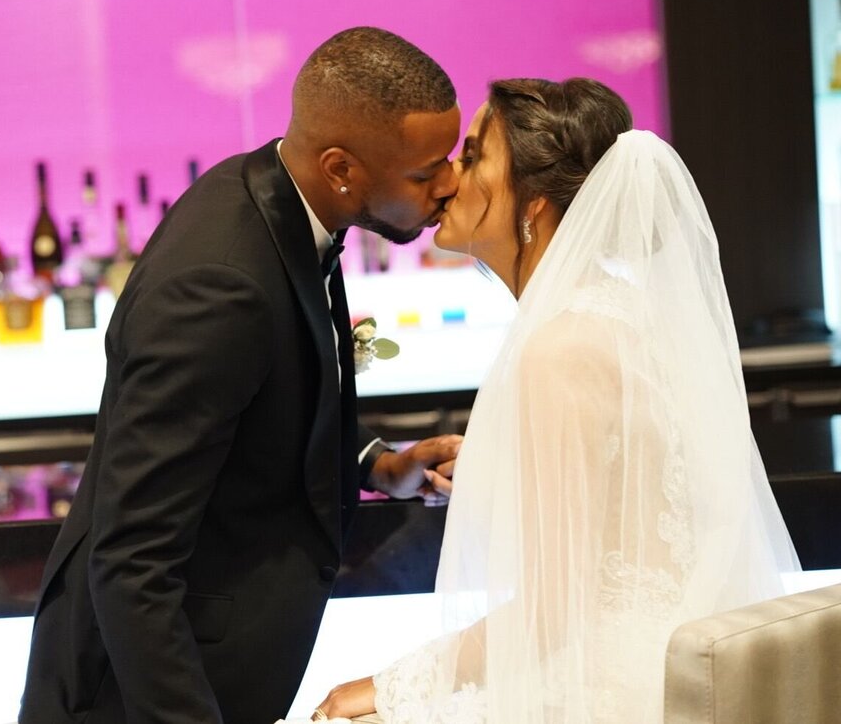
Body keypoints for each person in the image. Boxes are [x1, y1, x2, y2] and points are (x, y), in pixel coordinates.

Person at [307, 78, 800, 723]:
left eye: (475, 156)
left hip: (609, 682)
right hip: (648, 659)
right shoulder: (607, 315)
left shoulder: (559, 346)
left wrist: (391, 687)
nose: (451, 179)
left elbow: (553, 611)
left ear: (533, 205)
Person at [18, 26, 465, 724]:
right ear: (342, 168)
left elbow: (268, 403)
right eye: (424, 172)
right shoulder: (221, 282)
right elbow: (132, 560)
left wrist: (380, 464)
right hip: (138, 697)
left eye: (454, 157)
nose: (451, 183)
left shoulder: (288, 204)